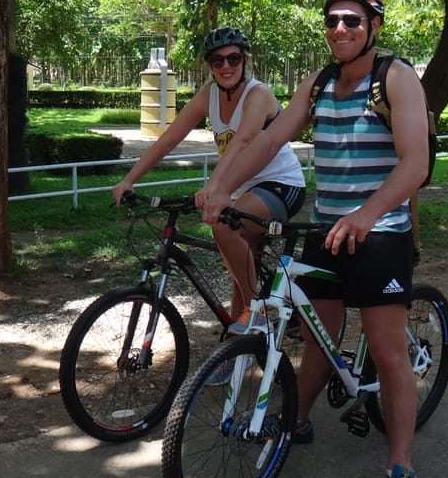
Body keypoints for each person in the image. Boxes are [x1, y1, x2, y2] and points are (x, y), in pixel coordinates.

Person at [198, 0, 429, 478]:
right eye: (332, 21)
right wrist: (220, 187)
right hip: (329, 231)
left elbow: (415, 164)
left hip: (382, 233)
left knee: (388, 353)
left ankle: (402, 469)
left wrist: (367, 215)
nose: (340, 30)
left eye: (352, 20)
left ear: (373, 26)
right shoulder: (321, 82)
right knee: (319, 338)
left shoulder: (394, 77)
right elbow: (267, 140)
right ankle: (295, 418)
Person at [112, 27, 306, 342]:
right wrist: (129, 179)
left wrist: (216, 188)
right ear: (209, 66)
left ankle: (256, 310)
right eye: (217, 61)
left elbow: (242, 141)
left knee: (224, 229)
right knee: (238, 268)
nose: (226, 66)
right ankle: (238, 343)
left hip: (281, 185)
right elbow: (170, 138)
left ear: (245, 61)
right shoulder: (209, 95)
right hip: (243, 190)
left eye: (233, 58)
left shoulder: (259, 95)